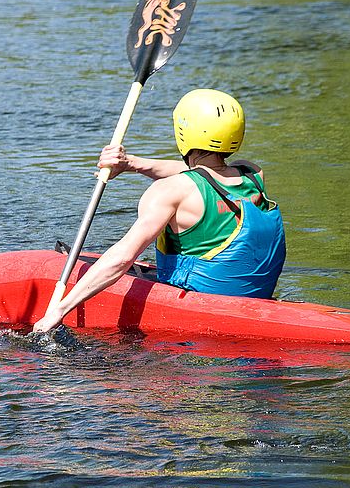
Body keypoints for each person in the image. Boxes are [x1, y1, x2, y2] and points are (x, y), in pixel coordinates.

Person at [33, 89, 286, 333]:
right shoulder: (252, 174)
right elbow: (201, 175)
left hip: (204, 303)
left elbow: (122, 258)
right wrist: (131, 163)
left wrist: (60, 309)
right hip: (254, 297)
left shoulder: (170, 191)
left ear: (184, 133)